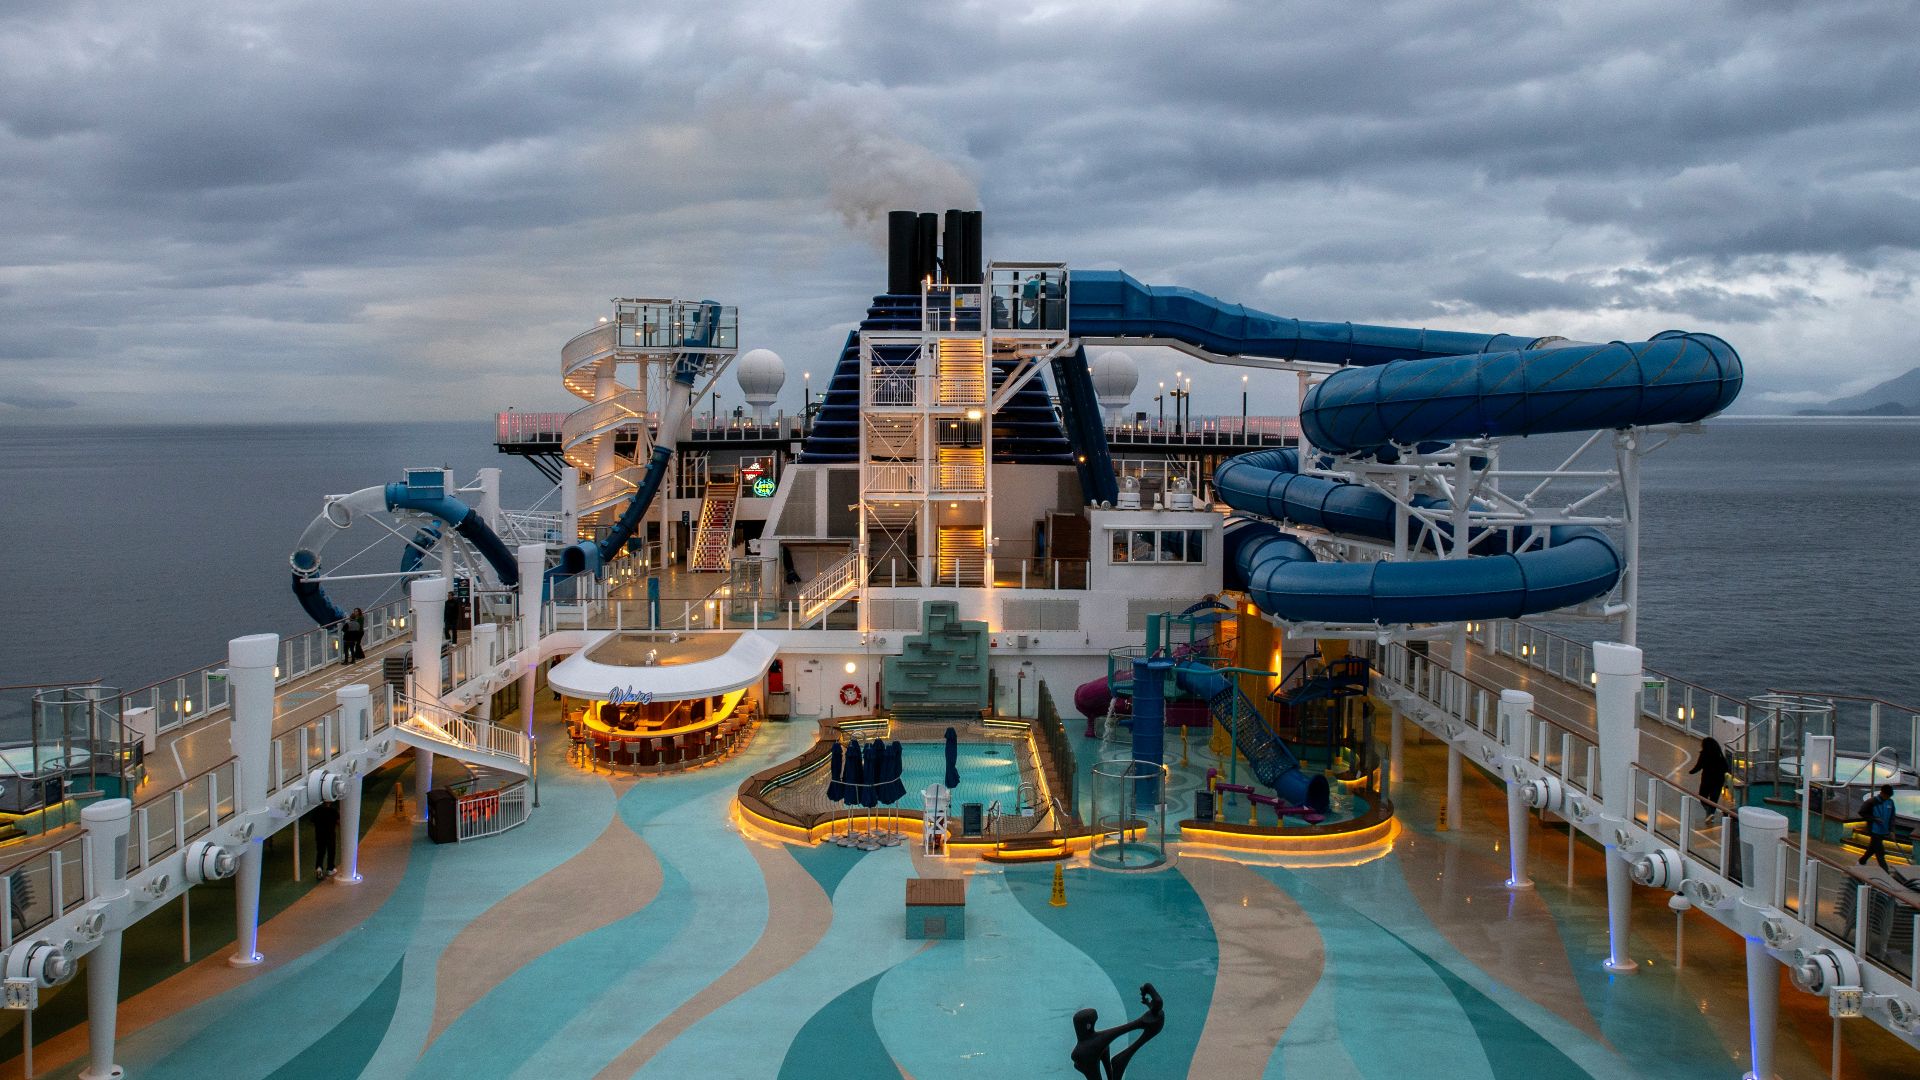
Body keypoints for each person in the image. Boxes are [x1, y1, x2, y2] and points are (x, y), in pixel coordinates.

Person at [1856, 784, 1899, 873]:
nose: (1887, 797)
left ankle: (1861, 862)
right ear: (1881, 793)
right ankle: (1886, 872)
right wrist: (1874, 819)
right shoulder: (1871, 802)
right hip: (1874, 830)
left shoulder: (1890, 802)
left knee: (1872, 849)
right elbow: (1862, 812)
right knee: (1880, 852)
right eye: (1886, 795)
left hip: (1884, 830)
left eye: (1889, 796)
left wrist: (1892, 831)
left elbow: (1892, 817)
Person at [1687, 736, 1730, 818]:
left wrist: (1691, 772)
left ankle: (1709, 812)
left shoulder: (1704, 754)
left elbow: (1699, 766)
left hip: (1707, 779)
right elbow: (1726, 767)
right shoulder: (1719, 754)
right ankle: (1711, 814)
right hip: (1719, 780)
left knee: (1702, 796)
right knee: (1714, 799)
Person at [310, 798, 340, 879]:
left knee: (320, 852)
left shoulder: (317, 811)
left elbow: (312, 820)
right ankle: (330, 868)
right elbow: (338, 822)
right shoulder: (333, 811)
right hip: (330, 834)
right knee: (331, 851)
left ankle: (319, 868)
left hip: (319, 834)